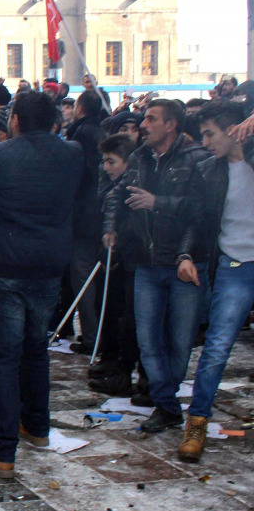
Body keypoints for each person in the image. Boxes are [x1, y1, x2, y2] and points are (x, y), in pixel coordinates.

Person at [0, 91, 84, 479]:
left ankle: (3, 451)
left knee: (6, 357)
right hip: (47, 262)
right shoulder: (72, 153)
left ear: (16, 121)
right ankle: (37, 427)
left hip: (4, 263)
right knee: (36, 348)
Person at [102, 99, 210, 434]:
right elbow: (117, 195)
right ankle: (165, 404)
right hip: (145, 264)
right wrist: (112, 226)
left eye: (151, 118)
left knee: (179, 341)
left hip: (184, 263)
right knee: (148, 339)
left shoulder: (196, 159)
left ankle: (168, 397)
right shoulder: (139, 158)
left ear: (171, 124)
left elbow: (204, 209)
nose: (143, 124)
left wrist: (158, 202)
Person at [178, 101, 254, 461]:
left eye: (210, 133)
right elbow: (196, 219)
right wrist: (186, 254)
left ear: (233, 129)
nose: (205, 141)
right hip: (233, 266)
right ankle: (197, 422)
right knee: (217, 346)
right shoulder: (208, 170)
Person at [87, 134, 144, 400]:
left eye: (112, 161)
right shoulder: (109, 182)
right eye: (104, 162)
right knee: (106, 305)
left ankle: (125, 367)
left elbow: (122, 212)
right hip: (112, 252)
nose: (106, 167)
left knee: (128, 314)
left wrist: (118, 239)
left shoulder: (134, 181)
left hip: (131, 256)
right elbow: (109, 206)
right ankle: (111, 357)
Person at [64, 90, 107, 353]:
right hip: (99, 214)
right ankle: (97, 334)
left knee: (84, 277)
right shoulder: (102, 131)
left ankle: (93, 337)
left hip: (84, 217)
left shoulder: (80, 135)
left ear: (80, 108)